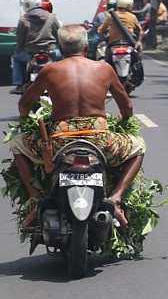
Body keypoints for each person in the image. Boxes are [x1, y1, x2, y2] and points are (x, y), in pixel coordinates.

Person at [10, 24, 146, 229]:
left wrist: (24, 118)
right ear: (86, 47)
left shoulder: (49, 70)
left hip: (59, 141)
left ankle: (36, 201)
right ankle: (116, 196)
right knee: (139, 146)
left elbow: (24, 104)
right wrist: (123, 120)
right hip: (100, 140)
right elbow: (127, 105)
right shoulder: (104, 68)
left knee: (17, 144)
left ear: (61, 49)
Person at [10, 0, 62, 94]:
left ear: (26, 5)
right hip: (51, 52)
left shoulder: (23, 20)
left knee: (16, 59)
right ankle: (67, 81)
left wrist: (17, 51)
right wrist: (62, 48)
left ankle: (19, 85)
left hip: (30, 54)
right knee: (67, 59)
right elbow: (59, 34)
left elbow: (20, 40)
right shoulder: (51, 17)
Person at [97, 0, 143, 86]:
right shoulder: (132, 17)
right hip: (128, 44)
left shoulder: (111, 16)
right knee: (138, 60)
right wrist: (139, 41)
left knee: (106, 63)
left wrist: (102, 33)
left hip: (113, 44)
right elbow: (140, 31)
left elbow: (101, 30)